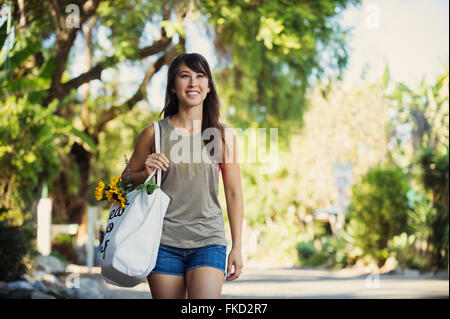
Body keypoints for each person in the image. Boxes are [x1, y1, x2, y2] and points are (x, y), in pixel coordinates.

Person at [120, 52, 244, 299]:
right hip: (162, 242)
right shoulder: (153, 134)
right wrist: (144, 172)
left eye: (200, 76)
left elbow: (233, 193)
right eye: (184, 76)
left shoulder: (222, 136)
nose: (192, 83)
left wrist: (237, 246)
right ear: (173, 87)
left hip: (209, 240)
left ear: (208, 87)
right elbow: (123, 182)